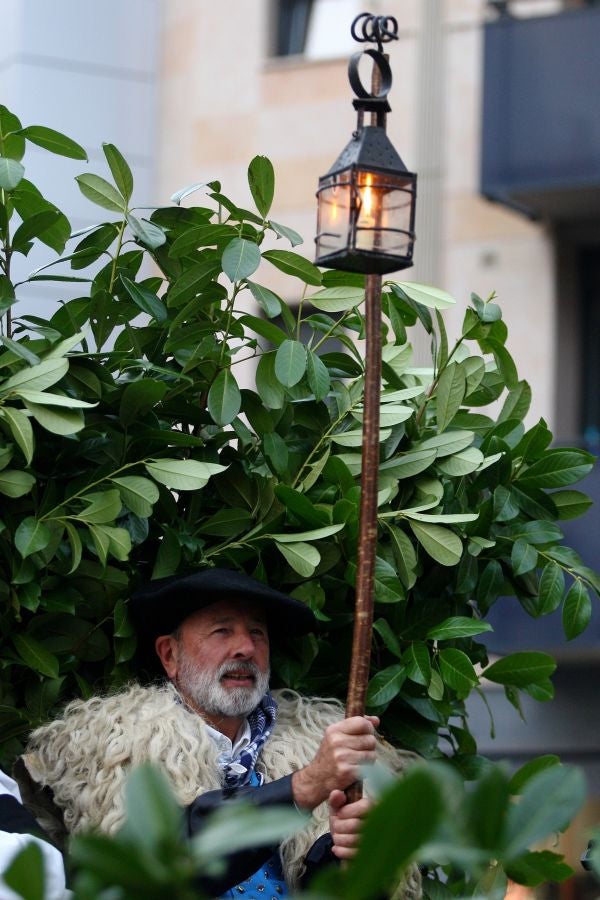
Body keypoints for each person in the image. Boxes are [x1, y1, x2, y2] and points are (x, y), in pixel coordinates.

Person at [16, 568, 419, 897]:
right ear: (169, 655)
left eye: (257, 633)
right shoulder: (112, 751)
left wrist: (343, 859)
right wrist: (307, 784)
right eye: (222, 631)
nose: (245, 647)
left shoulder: (311, 742)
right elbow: (161, 867)